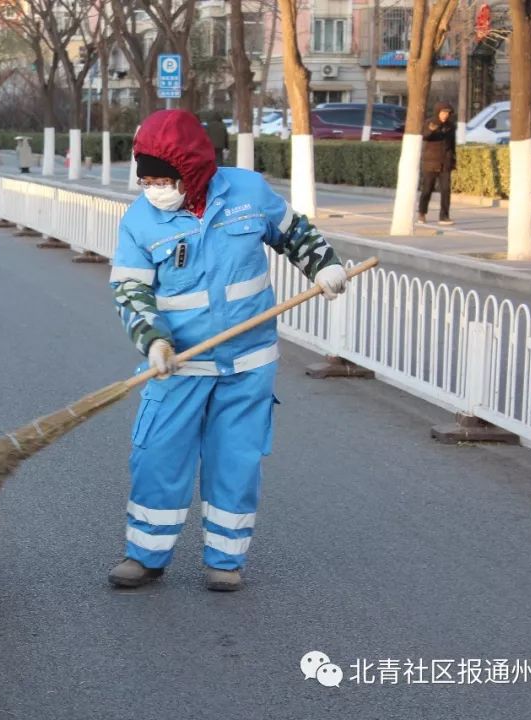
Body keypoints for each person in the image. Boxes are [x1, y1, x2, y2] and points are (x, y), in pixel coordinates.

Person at [108, 109, 348, 592]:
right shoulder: (140, 220)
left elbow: (294, 232)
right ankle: (146, 556)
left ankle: (226, 559)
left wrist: (323, 265)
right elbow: (131, 291)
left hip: (248, 363)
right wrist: (153, 339)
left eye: (162, 180)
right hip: (179, 364)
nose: (154, 189)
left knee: (235, 460)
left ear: (191, 170)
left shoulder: (247, 192)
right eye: (146, 180)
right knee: (157, 456)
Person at [418, 101, 456, 225]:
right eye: (443, 112)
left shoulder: (451, 126)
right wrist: (431, 130)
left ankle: (444, 216)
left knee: (446, 190)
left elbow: (452, 144)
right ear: (438, 112)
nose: (445, 115)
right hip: (430, 162)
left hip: (445, 162)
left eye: (447, 113)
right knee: (427, 189)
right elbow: (425, 136)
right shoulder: (430, 123)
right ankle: (422, 213)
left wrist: (453, 160)